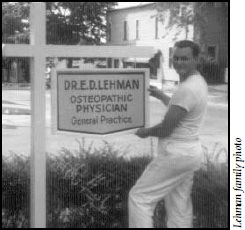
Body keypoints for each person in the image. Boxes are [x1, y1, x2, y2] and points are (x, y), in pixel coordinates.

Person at [128, 40, 208, 228]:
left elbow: (166, 128)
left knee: (139, 197)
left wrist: (145, 132)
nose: (179, 62)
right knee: (179, 205)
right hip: (190, 153)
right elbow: (181, 110)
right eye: (176, 58)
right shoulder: (198, 82)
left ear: (196, 59)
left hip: (176, 154)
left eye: (185, 58)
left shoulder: (188, 88)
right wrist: (162, 96)